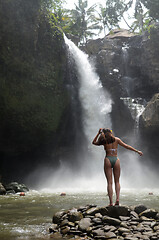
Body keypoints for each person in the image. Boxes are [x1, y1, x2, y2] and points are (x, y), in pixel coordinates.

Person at [92, 128, 143, 206]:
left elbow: (93, 142)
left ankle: (111, 202)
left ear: (104, 134)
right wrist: (137, 151)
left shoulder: (104, 141)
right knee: (117, 181)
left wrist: (98, 133)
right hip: (116, 159)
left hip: (108, 159)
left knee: (109, 182)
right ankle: (117, 199)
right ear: (111, 133)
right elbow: (126, 146)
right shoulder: (116, 139)